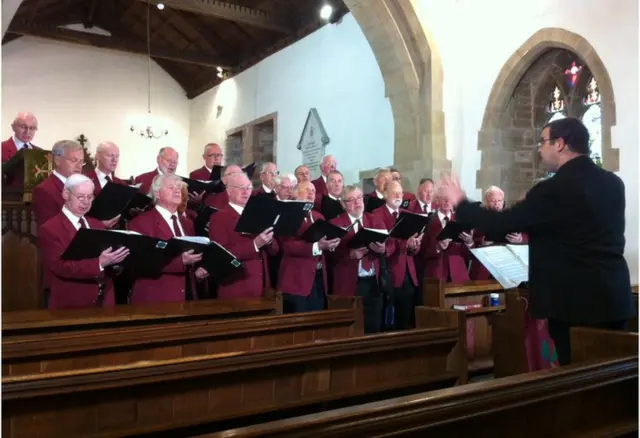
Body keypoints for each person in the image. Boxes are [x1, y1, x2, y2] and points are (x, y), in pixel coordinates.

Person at [439, 117, 634, 365]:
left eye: (542, 142)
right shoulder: (613, 183)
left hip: (574, 304)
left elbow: (503, 222)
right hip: (614, 298)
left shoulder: (554, 189)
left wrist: (461, 203)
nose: (539, 150)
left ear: (560, 144)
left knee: (579, 386)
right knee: (613, 380)